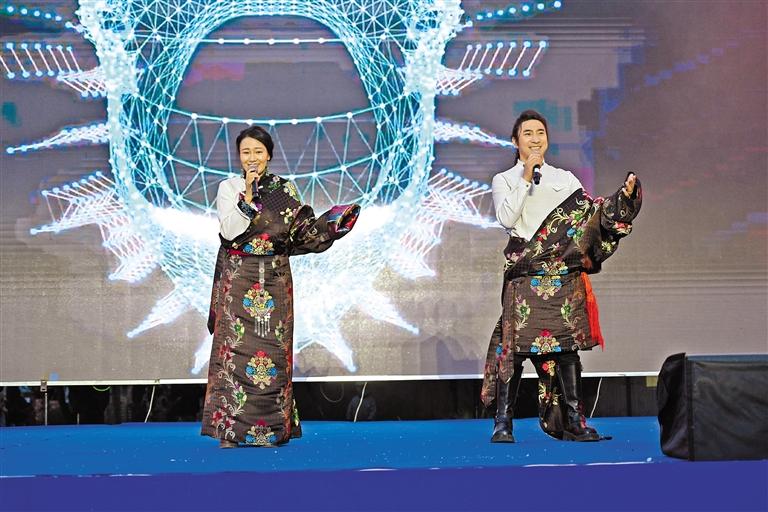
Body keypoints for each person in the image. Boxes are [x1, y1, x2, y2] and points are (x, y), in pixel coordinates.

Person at [481, 110, 642, 443]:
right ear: (515, 141)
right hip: (525, 277)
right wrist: (526, 176)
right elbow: (507, 219)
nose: (535, 139)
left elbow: (590, 219)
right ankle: (503, 423)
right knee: (514, 349)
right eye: (528, 133)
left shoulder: (565, 179)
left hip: (563, 278)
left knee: (567, 349)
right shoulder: (504, 180)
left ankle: (574, 420)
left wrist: (623, 201)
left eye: (540, 132)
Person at [201, 126, 360, 447]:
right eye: (246, 152)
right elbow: (230, 233)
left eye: (258, 152)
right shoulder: (229, 187)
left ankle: (272, 430)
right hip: (238, 278)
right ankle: (231, 432)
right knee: (235, 353)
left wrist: (332, 224)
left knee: (273, 357)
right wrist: (248, 197)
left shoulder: (285, 190)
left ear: (269, 155)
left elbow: (300, 233)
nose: (252, 158)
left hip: (275, 279)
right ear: (238, 157)